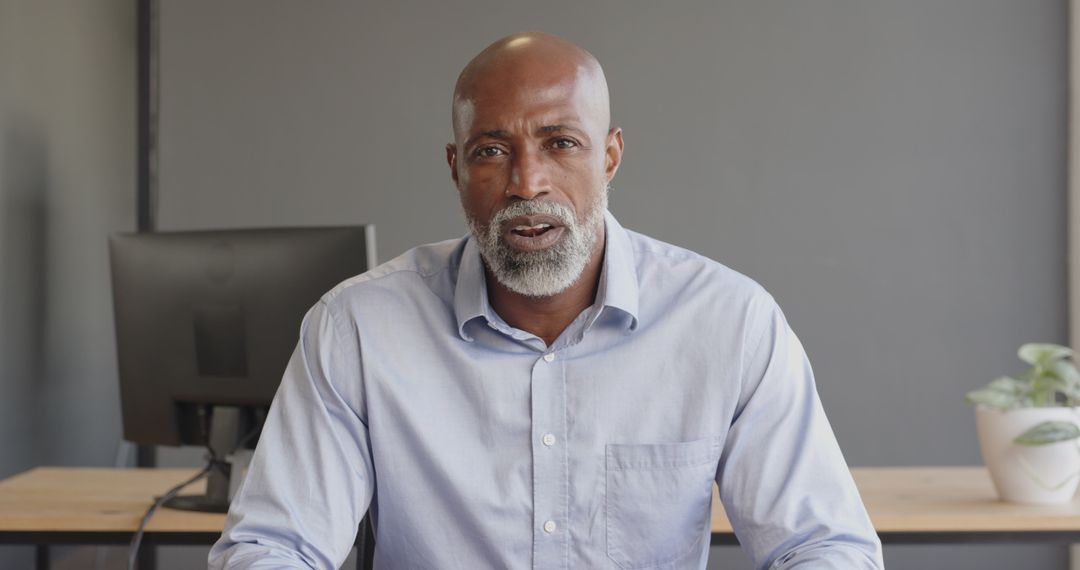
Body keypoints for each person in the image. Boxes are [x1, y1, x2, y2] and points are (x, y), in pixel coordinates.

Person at [209, 32, 884, 569]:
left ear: (610, 156)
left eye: (561, 143)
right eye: (492, 150)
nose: (527, 183)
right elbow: (274, 547)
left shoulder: (729, 324)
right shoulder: (357, 329)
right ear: (456, 167)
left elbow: (823, 547)